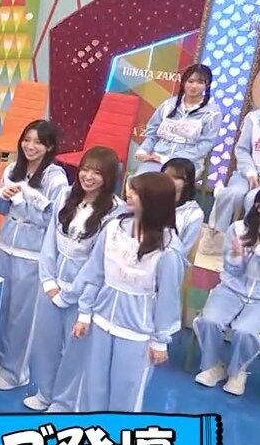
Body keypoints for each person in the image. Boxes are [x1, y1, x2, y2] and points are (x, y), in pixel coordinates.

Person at [70, 172, 184, 412]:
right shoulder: (113, 229)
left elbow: (168, 299)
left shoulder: (168, 250)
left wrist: (160, 341)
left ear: (153, 200)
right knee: (92, 386)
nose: (128, 194)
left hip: (136, 333)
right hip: (101, 322)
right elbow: (95, 272)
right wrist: (84, 313)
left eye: (136, 192)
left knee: (125, 393)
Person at [26, 147, 123, 412]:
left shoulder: (115, 212)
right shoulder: (66, 196)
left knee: (75, 350)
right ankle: (45, 391)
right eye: (85, 169)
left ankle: (65, 402)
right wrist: (49, 282)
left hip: (84, 294)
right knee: (44, 342)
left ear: (109, 177)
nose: (88, 177)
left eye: (97, 173)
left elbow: (97, 263)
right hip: (52, 286)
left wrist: (71, 293)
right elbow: (49, 242)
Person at [0, 120, 69, 391]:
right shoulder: (13, 169)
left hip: (32, 253)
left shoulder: (55, 179)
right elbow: (0, 208)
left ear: (49, 147)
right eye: (27, 139)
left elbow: (52, 221)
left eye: (38, 142)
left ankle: (16, 371)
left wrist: (23, 204)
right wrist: (4, 196)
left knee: (22, 316)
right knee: (1, 307)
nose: (30, 146)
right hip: (4, 246)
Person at [193, 183, 260, 396]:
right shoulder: (238, 229)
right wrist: (236, 256)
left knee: (244, 331)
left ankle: (238, 371)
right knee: (209, 321)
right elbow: (232, 271)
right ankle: (213, 365)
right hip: (232, 290)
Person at [203, 75, 260, 253]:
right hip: (246, 174)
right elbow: (241, 149)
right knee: (232, 194)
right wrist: (250, 172)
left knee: (254, 198)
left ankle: (252, 240)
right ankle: (215, 236)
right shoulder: (254, 118)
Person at [132, 63, 219, 175]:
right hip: (157, 157)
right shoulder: (168, 105)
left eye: (200, 82)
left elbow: (205, 145)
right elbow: (152, 133)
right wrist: (143, 151)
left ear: (207, 85)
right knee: (142, 178)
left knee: (168, 182)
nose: (194, 86)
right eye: (190, 81)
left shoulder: (212, 113)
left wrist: (170, 159)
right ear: (184, 82)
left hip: (188, 163)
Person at [163, 157, 203, 260]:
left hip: (170, 260)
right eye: (166, 176)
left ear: (187, 181)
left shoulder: (194, 214)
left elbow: (184, 250)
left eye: (176, 177)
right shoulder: (150, 199)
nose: (169, 180)